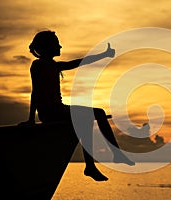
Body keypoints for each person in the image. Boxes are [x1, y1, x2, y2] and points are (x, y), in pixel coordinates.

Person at [20, 30, 135, 181]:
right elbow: (35, 92)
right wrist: (31, 119)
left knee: (90, 116)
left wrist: (104, 54)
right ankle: (112, 156)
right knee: (97, 113)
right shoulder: (38, 65)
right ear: (48, 46)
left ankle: (93, 165)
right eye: (56, 43)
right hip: (51, 112)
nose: (60, 46)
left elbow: (81, 62)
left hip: (58, 109)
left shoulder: (54, 66)